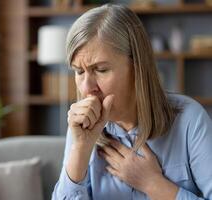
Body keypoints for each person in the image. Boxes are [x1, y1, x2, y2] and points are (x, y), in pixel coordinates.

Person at [52, 4, 212, 200]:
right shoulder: (80, 130)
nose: (86, 88)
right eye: (79, 71)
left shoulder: (190, 121)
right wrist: (80, 150)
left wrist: (153, 184)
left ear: (137, 67)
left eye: (101, 70)